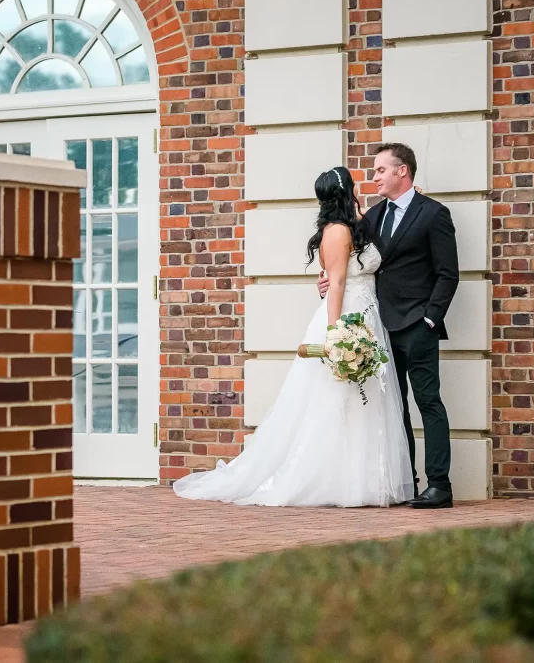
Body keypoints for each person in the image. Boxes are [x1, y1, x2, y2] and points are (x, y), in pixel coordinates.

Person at [173, 167, 415, 508]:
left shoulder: (360, 222)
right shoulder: (336, 231)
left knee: (367, 400)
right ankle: (328, 479)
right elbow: (338, 284)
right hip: (347, 317)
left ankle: (364, 480)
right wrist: (336, 333)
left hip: (370, 315)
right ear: (347, 190)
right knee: (334, 399)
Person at [320, 143, 459, 509]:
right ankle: (406, 481)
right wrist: (327, 281)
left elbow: (448, 273)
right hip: (379, 328)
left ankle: (439, 485)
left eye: (381, 170)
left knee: (429, 402)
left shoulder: (434, 214)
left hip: (418, 324)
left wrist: (431, 316)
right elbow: (351, 261)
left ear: (403, 171)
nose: (375, 176)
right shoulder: (373, 216)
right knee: (394, 408)